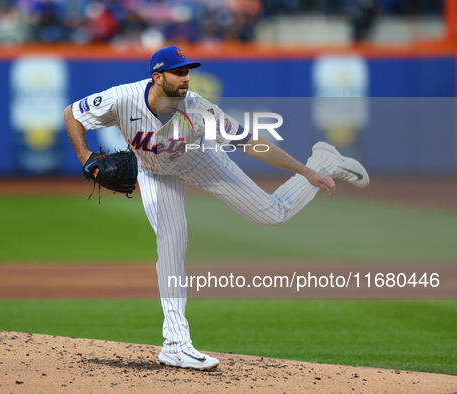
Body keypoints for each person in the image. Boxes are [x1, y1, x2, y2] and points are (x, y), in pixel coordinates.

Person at [64, 45, 369, 370]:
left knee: (272, 214)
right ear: (157, 77)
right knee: (171, 243)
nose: (186, 78)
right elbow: (73, 113)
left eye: (187, 71)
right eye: (178, 72)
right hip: (153, 172)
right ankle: (176, 345)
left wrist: (306, 171)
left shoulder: (199, 111)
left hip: (200, 161)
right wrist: (86, 159)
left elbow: (252, 143)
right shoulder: (123, 98)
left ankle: (322, 160)